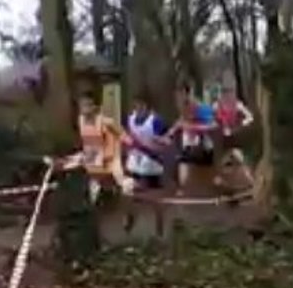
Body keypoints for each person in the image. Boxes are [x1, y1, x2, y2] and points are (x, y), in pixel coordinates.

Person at [121, 92, 171, 233]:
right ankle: (129, 217)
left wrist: (157, 142)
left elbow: (168, 141)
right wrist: (127, 146)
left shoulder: (156, 121)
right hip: (135, 163)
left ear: (147, 106)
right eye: (136, 105)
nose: (138, 108)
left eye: (141, 105)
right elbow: (126, 137)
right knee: (128, 192)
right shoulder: (130, 119)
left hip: (152, 165)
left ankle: (159, 226)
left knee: (155, 198)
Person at [75, 90, 133, 204]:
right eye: (82, 105)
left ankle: (129, 208)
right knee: (94, 186)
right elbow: (85, 142)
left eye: (88, 105)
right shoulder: (80, 120)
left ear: (95, 107)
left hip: (111, 157)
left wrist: (126, 150)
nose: (85, 108)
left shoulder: (106, 122)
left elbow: (125, 137)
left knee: (122, 183)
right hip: (93, 159)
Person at [166, 85, 218, 194]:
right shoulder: (184, 108)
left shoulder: (200, 108)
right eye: (177, 96)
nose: (178, 99)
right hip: (190, 146)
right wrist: (169, 133)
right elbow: (180, 122)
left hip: (204, 148)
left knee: (178, 160)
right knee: (174, 159)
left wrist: (194, 128)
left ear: (187, 94)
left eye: (181, 95)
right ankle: (180, 187)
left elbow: (214, 125)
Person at [212, 84, 256, 189]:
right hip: (222, 137)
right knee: (220, 159)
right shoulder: (216, 106)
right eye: (225, 94)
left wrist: (241, 124)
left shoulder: (237, 105)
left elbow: (250, 117)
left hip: (234, 135)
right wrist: (219, 127)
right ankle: (222, 179)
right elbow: (213, 119)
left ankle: (250, 180)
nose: (228, 97)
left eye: (230, 93)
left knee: (239, 157)